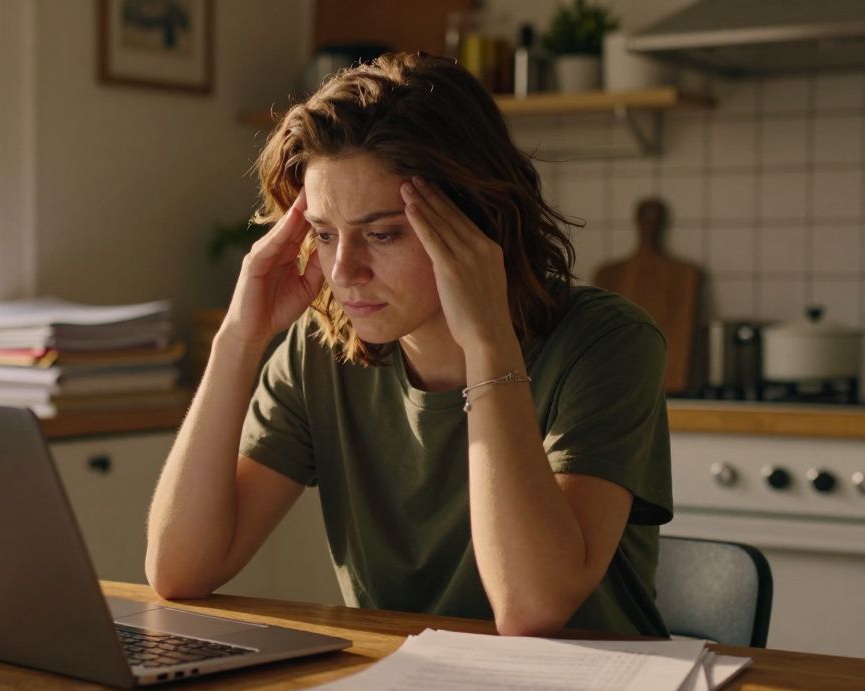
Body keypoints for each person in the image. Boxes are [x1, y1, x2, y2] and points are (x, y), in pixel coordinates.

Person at [145, 52, 672, 637]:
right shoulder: (317, 352)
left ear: (477, 220)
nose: (345, 270)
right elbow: (179, 572)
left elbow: (532, 608)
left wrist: (488, 342)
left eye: (382, 233)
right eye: (323, 234)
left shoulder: (607, 343)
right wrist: (237, 341)